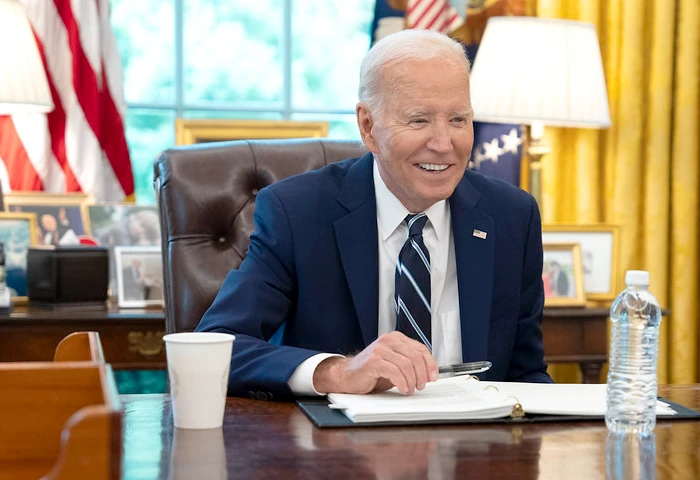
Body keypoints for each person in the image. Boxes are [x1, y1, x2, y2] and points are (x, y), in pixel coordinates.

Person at [197, 29, 551, 401]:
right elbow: (215, 347)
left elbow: (526, 373)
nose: (445, 144)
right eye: (418, 121)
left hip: (477, 449)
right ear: (368, 126)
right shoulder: (298, 214)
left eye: (459, 120)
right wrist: (338, 371)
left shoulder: (512, 217)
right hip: (340, 450)